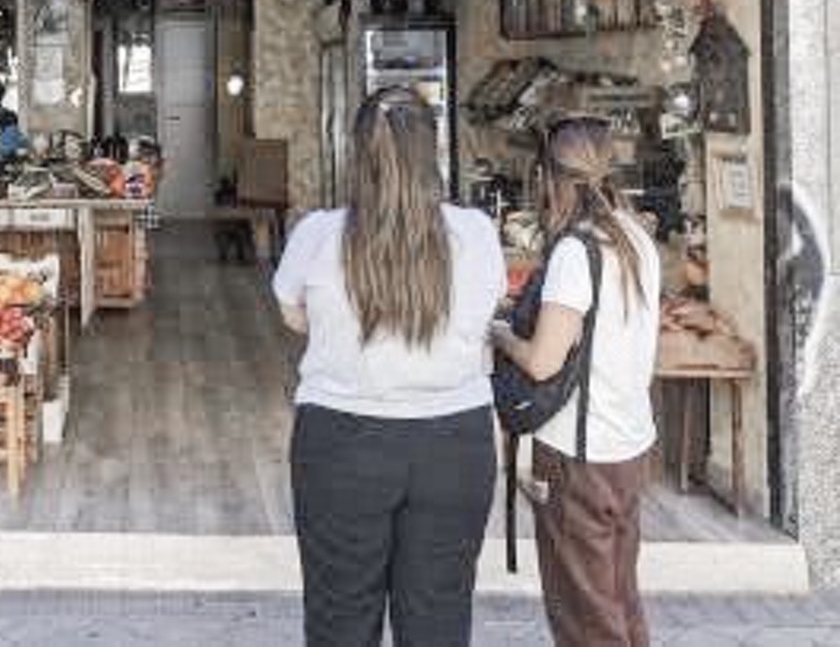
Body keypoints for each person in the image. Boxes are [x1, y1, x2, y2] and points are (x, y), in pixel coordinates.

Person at [273, 87, 504, 646]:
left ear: (356, 155)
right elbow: (487, 311)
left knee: (340, 618)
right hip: (454, 443)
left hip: (342, 442)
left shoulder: (318, 235)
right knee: (439, 617)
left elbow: (295, 318)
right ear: (434, 152)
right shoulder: (476, 233)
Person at [491, 116, 660, 647]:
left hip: (577, 456)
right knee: (618, 598)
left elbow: (542, 362)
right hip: (629, 446)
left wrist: (500, 334)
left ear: (550, 177)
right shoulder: (636, 237)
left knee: (584, 616)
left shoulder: (576, 251)